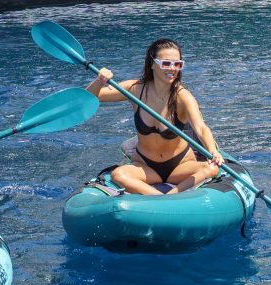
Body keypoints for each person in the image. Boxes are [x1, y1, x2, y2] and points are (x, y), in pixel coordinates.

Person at [88, 38, 224, 195]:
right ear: (152, 64)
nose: (172, 69)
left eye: (177, 64)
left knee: (211, 168)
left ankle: (172, 196)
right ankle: (160, 198)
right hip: (145, 166)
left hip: (180, 165)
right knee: (118, 175)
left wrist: (213, 151)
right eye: (166, 63)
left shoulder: (183, 96)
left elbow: (200, 127)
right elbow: (92, 97)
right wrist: (99, 81)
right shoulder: (135, 90)